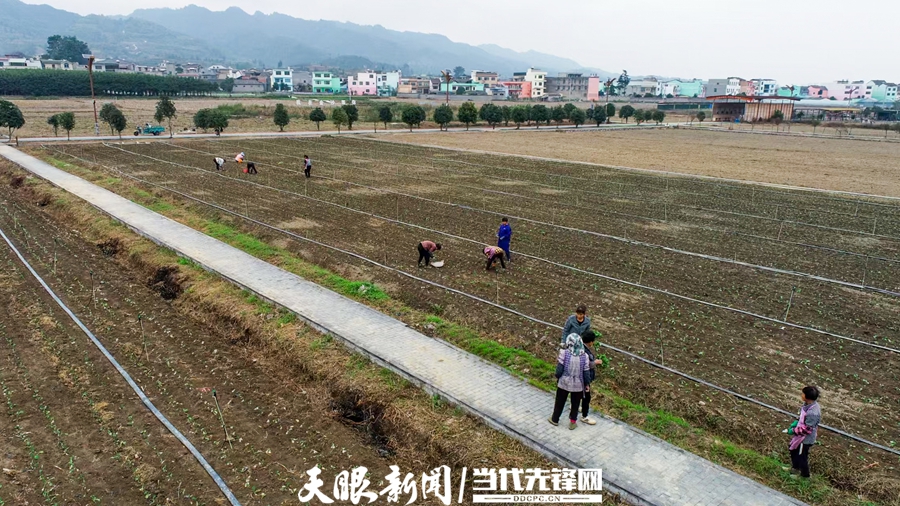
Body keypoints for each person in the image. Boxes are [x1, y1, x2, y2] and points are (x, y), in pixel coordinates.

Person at [549, 333, 591, 430]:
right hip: (578, 384)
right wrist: (587, 384)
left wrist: (557, 376)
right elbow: (586, 372)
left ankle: (555, 419)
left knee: (560, 401)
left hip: (564, 381)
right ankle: (572, 423)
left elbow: (559, 369)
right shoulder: (585, 356)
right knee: (575, 404)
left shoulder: (564, 353)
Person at [783, 386, 822, 479]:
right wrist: (796, 422)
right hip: (800, 435)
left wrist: (792, 431)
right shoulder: (807, 404)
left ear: (807, 397)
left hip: (805, 439)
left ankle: (805, 476)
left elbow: (806, 429)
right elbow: (803, 418)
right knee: (793, 450)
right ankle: (795, 469)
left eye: (803, 394)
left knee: (802, 456)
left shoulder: (813, 412)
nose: (801, 395)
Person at [580, 330, 602, 425]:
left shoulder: (580, 347)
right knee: (586, 397)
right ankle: (584, 416)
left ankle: (576, 408)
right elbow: (586, 364)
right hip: (584, 378)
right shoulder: (584, 351)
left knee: (579, 395)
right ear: (591, 342)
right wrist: (595, 363)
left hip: (581, 377)